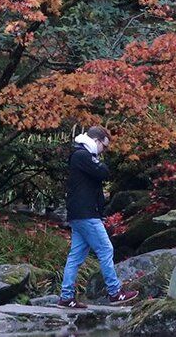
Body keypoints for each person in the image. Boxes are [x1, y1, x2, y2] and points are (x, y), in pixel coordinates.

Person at [58, 125, 138, 308]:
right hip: (86, 214)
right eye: (105, 146)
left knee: (76, 256)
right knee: (106, 249)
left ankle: (66, 297)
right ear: (96, 141)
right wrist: (98, 163)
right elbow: (104, 173)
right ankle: (114, 293)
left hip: (79, 214)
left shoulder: (82, 155)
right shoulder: (82, 156)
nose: (104, 151)